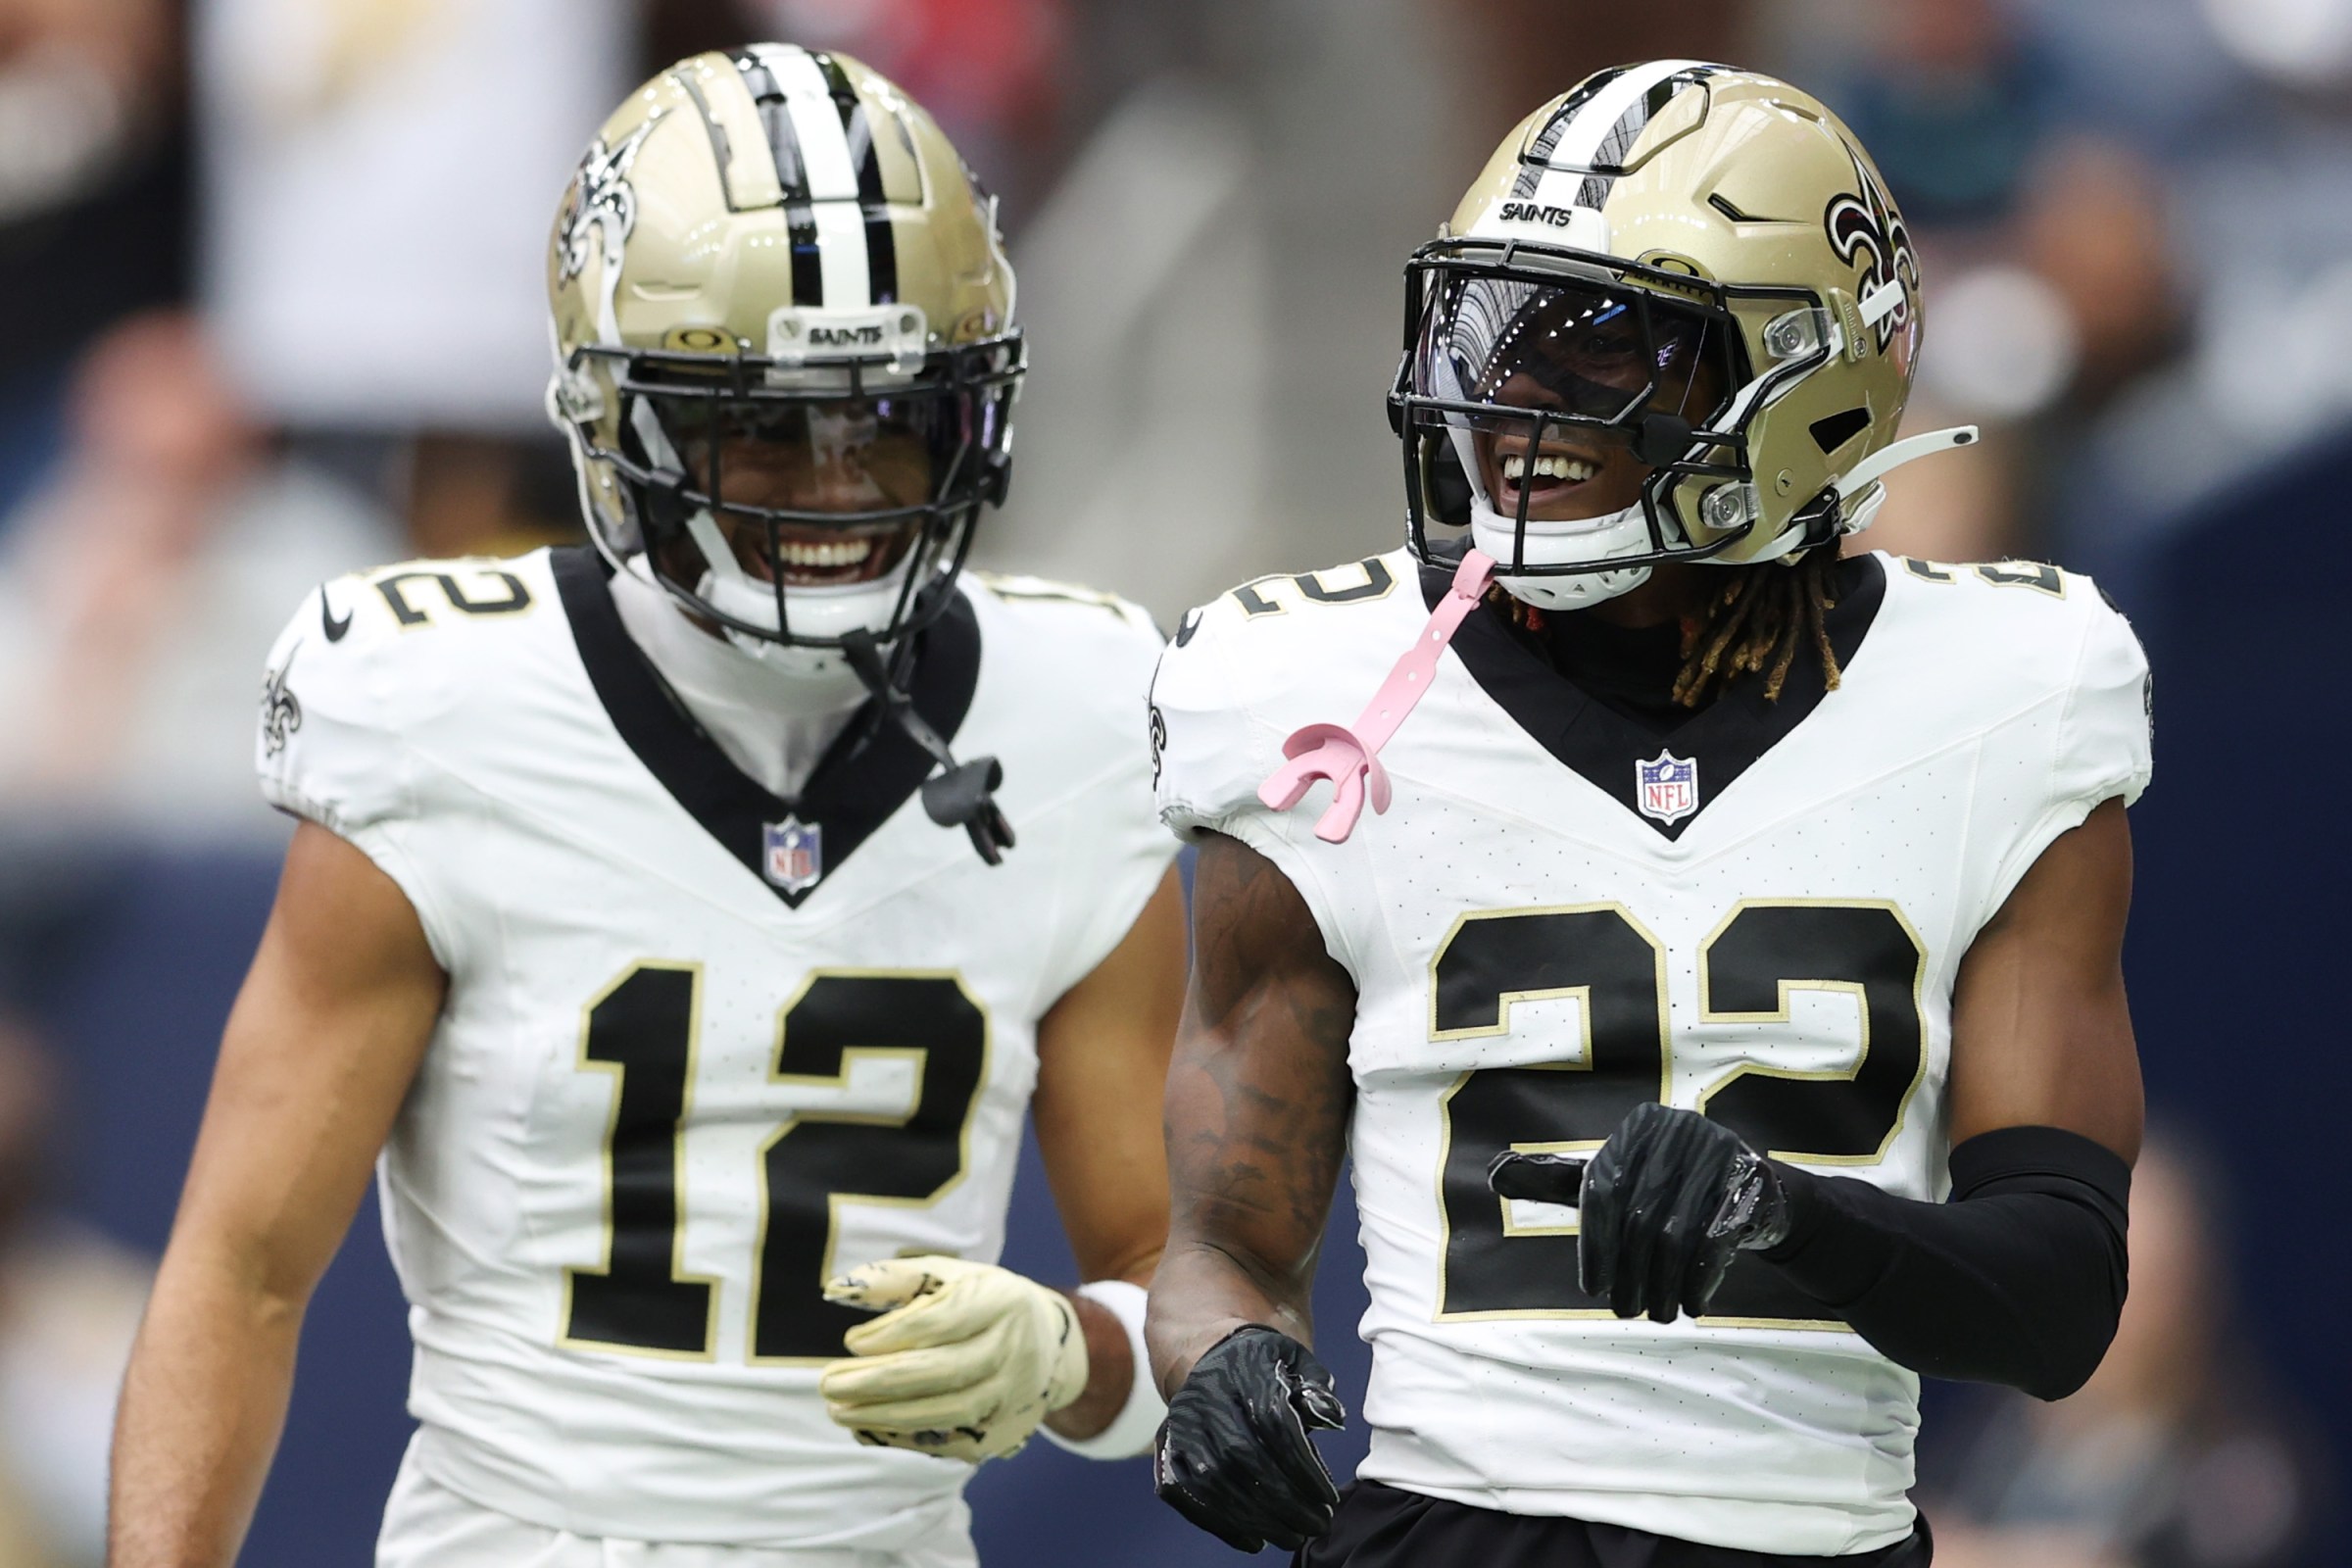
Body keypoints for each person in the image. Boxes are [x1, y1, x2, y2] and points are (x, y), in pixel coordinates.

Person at [106, 45, 1182, 1568]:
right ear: (620, 420)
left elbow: (1196, 1292)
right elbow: (244, 1266)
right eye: (765, 427)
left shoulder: (1079, 714)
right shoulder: (443, 708)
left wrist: (1080, 1359)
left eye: (884, 419)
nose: (834, 489)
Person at [1145, 61, 2150, 1565]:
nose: (1515, 399)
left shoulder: (2007, 691)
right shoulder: (1310, 692)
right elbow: (1221, 1247)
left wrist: (1780, 1215)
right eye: (1496, 329)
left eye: (1605, 347)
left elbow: (2058, 1302)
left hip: (1810, 1532)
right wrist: (1219, 1364)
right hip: (1444, 1533)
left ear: (1809, 381)